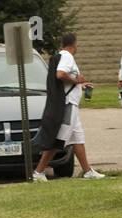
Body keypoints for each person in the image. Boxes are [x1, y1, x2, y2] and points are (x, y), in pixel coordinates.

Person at [32, 34, 105, 181]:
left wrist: (79, 85)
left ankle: (87, 171)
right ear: (74, 44)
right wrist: (76, 80)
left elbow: (62, 81)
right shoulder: (67, 57)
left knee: (78, 138)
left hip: (71, 105)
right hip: (68, 106)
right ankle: (39, 172)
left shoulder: (61, 56)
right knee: (59, 140)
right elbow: (60, 74)